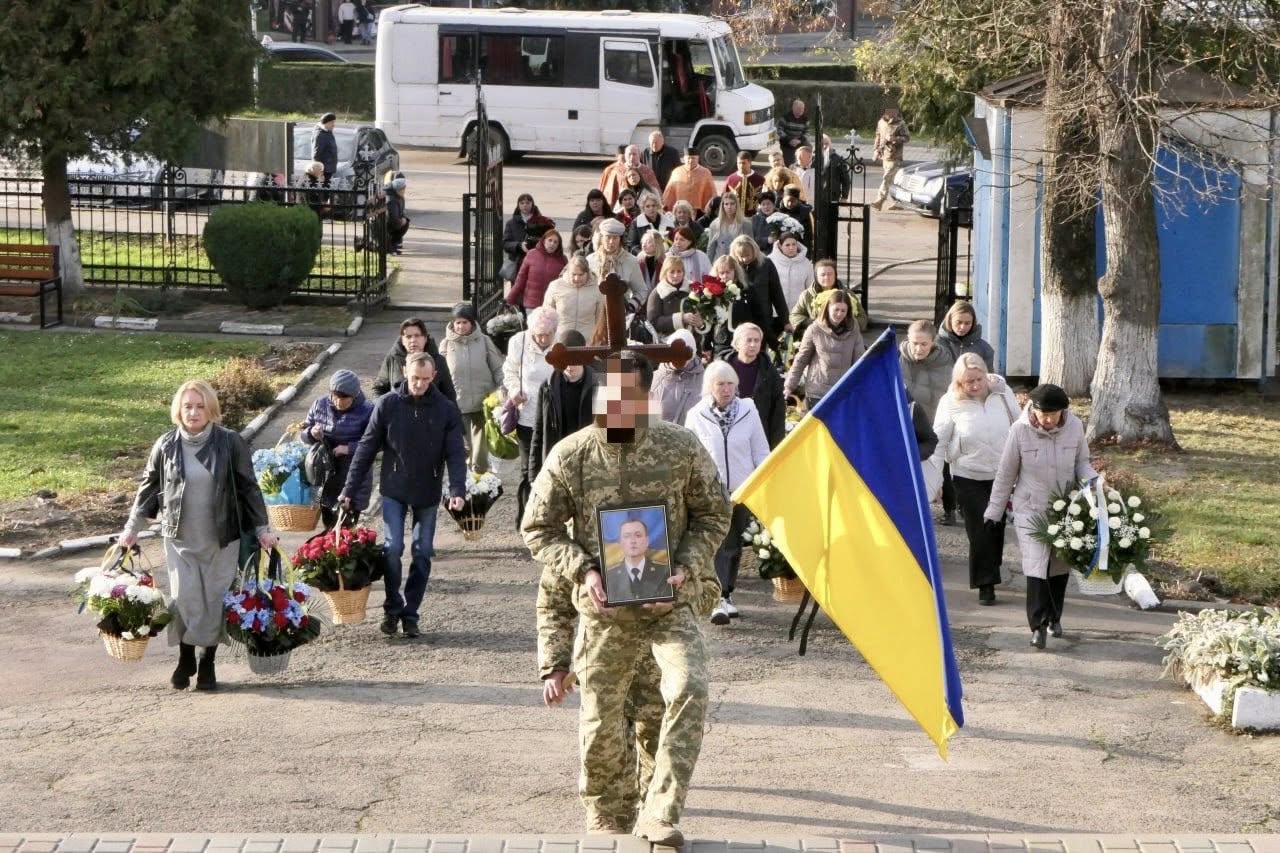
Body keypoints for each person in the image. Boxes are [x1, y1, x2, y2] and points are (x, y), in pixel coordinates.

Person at [522, 352, 731, 844]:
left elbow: (713, 515)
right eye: (607, 398)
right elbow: (538, 529)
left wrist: (684, 568)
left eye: (626, 399)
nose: (614, 408)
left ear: (645, 400)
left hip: (669, 608)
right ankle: (608, 818)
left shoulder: (680, 448)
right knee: (602, 726)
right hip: (605, 616)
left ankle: (660, 811)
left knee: (688, 690)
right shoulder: (572, 456)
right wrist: (585, 570)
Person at [118, 380, 276, 691]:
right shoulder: (166, 445)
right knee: (185, 599)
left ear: (211, 409)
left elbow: (248, 487)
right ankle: (185, 656)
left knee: (214, 601)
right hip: (180, 538)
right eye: (188, 406)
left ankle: (207, 662)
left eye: (200, 406)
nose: (193, 412)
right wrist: (131, 529)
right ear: (179, 409)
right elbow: (148, 488)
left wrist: (262, 529)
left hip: (222, 537)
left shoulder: (229, 442)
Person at [342, 353, 467, 639]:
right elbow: (366, 448)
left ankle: (411, 613)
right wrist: (349, 489)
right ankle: (392, 608)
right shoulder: (388, 404)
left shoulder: (445, 409)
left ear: (433, 376)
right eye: (414, 379)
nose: (419, 384)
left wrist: (457, 489)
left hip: (428, 490)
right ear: (404, 372)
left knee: (422, 552)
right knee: (393, 548)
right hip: (394, 488)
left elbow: (456, 454)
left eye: (425, 379)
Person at [984, 384, 1097, 650]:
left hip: (1066, 509)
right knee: (1036, 566)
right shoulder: (1020, 431)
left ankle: (1054, 617)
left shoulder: (1075, 427)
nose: (1047, 419)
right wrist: (994, 511)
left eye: (1053, 414)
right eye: (1042, 413)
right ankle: (1037, 626)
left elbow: (1082, 462)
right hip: (1030, 508)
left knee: (1059, 565)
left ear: (1063, 412)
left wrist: (1095, 484)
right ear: (1033, 409)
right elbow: (1006, 474)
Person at [684, 360, 770, 625]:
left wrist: (762, 485)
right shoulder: (696, 415)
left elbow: (760, 450)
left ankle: (727, 594)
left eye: (731, 383)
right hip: (709, 493)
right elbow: (690, 456)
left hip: (741, 489)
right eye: (720, 384)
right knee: (715, 544)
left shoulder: (748, 411)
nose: (726, 389)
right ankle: (717, 599)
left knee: (733, 546)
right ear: (710, 386)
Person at [932, 353, 1020, 605]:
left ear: (986, 375)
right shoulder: (949, 402)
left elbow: (1020, 425)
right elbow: (939, 442)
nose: (974, 385)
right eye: (967, 381)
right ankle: (985, 584)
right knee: (979, 529)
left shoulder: (1003, 394)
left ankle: (991, 566)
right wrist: (936, 478)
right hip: (967, 474)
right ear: (959, 381)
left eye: (978, 379)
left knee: (996, 527)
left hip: (1002, 473)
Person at [504, 306, 559, 525]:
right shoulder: (519, 341)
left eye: (548, 335)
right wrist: (513, 390)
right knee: (528, 468)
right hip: (527, 414)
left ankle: (550, 518)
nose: (543, 339)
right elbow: (509, 371)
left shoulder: (560, 343)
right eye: (539, 335)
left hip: (553, 415)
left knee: (552, 466)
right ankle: (525, 518)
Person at [300, 369, 375, 530]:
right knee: (329, 525)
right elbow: (304, 432)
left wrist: (349, 448)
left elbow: (375, 443)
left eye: (343, 398)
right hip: (326, 475)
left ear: (354, 396)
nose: (338, 401)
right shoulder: (320, 404)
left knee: (345, 528)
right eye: (334, 396)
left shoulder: (368, 410)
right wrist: (311, 433)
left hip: (353, 475)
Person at [900, 319, 957, 523]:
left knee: (943, 466)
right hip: (909, 420)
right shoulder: (898, 359)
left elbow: (949, 392)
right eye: (914, 343)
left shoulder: (944, 362)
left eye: (924, 344)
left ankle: (950, 509)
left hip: (934, 419)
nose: (918, 348)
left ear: (933, 342)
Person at [441, 302, 505, 474]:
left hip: (482, 405)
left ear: (472, 323)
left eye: (465, 322)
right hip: (457, 405)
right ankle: (463, 485)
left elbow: (498, 368)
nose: (461, 326)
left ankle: (480, 483)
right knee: (461, 449)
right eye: (457, 323)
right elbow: (438, 374)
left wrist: (502, 388)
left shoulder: (484, 341)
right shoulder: (446, 344)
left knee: (480, 453)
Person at [530, 330, 597, 484]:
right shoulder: (548, 387)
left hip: (590, 466)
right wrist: (534, 476)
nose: (569, 366)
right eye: (564, 360)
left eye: (574, 360)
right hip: (557, 464)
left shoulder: (599, 385)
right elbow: (539, 431)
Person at [785, 290, 865, 410]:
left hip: (842, 390)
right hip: (818, 391)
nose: (839, 314)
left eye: (843, 310)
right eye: (836, 310)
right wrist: (789, 386)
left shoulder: (853, 329)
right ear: (828, 308)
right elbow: (801, 360)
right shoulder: (814, 330)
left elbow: (859, 360)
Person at [720, 322, 786, 448]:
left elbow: (778, 408)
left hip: (758, 433)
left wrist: (777, 444)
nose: (753, 344)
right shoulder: (722, 367)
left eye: (757, 341)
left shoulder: (768, 371)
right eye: (748, 340)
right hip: (728, 433)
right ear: (737, 343)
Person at [374, 317, 457, 403]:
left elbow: (449, 394)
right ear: (402, 340)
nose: (413, 340)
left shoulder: (438, 361)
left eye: (417, 335)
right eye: (408, 337)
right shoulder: (393, 358)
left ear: (425, 338)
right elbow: (379, 388)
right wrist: (382, 408)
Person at [730, 235, 789, 348]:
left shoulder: (766, 264)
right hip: (740, 321)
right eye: (741, 256)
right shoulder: (733, 268)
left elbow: (777, 293)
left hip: (763, 319)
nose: (745, 259)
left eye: (748, 255)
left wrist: (785, 320)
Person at [604, 517, 674, 603]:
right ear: (620, 542)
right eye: (627, 536)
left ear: (647, 541)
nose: (633, 541)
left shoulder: (665, 572)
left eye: (638, 535)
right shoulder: (609, 577)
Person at [789, 259, 865, 336]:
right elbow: (795, 315)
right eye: (823, 275)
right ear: (816, 276)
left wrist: (846, 326)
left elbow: (862, 318)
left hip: (844, 339)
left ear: (835, 275)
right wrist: (812, 323)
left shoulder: (848, 294)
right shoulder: (807, 295)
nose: (826, 277)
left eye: (830, 274)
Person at [588, 218, 648, 307]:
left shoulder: (630, 261)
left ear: (620, 239)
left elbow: (641, 290)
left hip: (620, 312)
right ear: (601, 238)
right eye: (608, 237)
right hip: (594, 312)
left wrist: (631, 305)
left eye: (615, 238)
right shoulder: (590, 260)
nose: (611, 242)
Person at [650, 329, 704, 425]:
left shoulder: (706, 381)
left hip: (692, 437)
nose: (678, 358)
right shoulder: (653, 379)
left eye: (683, 354)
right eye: (674, 353)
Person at [543, 254, 602, 341]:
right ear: (568, 272)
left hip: (587, 340)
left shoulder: (597, 289)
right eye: (573, 274)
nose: (577, 278)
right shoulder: (555, 286)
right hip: (560, 339)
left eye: (581, 275)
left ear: (587, 272)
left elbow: (600, 318)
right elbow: (546, 314)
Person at [508, 228, 567, 312]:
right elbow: (520, 279)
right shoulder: (531, 254)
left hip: (552, 305)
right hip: (532, 304)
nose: (552, 244)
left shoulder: (562, 260)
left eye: (555, 242)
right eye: (550, 240)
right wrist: (510, 299)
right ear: (544, 241)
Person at [646, 256, 703, 343]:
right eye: (672, 272)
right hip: (666, 342)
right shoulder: (657, 293)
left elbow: (705, 313)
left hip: (693, 342)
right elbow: (653, 321)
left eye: (679, 271)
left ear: (683, 272)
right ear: (665, 273)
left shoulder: (694, 289)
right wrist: (681, 318)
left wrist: (701, 321)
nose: (676, 275)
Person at [937, 300, 996, 368]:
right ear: (950, 320)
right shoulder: (935, 344)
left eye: (967, 323)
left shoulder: (985, 349)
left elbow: (987, 376)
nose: (963, 327)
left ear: (973, 323)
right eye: (959, 322)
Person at [872, 107, 911, 211]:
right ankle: (899, 203)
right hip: (884, 155)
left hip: (895, 156)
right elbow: (878, 135)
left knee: (886, 179)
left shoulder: (900, 123)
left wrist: (894, 139)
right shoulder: (881, 122)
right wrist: (876, 149)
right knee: (892, 181)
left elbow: (907, 137)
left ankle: (879, 201)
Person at [769, 230, 814, 313]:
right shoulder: (770, 261)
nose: (791, 248)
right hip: (774, 311)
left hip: (797, 311)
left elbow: (810, 287)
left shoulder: (805, 263)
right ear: (780, 246)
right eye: (787, 245)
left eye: (794, 244)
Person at [662, 149, 717, 215]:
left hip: (699, 210)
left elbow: (711, 192)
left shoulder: (705, 173)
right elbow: (669, 192)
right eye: (688, 158)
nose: (690, 161)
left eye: (693, 158)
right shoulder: (676, 172)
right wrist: (665, 205)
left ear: (697, 159)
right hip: (680, 210)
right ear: (684, 159)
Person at [503, 193, 545, 274]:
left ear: (532, 204)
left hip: (536, 262)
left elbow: (547, 240)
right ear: (518, 205)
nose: (525, 205)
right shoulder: (511, 223)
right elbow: (505, 243)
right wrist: (519, 245)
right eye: (522, 203)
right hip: (517, 263)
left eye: (528, 203)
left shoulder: (541, 222)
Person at [705, 192, 750, 262]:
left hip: (739, 261)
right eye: (726, 204)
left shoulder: (746, 223)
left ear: (736, 205)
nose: (729, 207)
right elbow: (711, 248)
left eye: (732, 203)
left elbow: (750, 246)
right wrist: (708, 265)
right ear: (722, 206)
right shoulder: (715, 224)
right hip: (720, 262)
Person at [722, 150, 765, 216]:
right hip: (734, 216)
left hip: (753, 216)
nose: (741, 166)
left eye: (743, 163)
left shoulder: (760, 180)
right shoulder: (730, 179)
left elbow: (764, 198)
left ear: (750, 163)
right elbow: (724, 198)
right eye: (739, 163)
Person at [779, 184, 815, 254]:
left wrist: (807, 253)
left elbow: (808, 236)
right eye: (788, 200)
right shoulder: (776, 210)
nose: (789, 204)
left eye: (793, 201)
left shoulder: (804, 213)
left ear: (798, 201)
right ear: (783, 198)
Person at [381, 170, 410, 255]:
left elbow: (401, 211)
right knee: (403, 223)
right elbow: (392, 219)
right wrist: (401, 221)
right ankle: (391, 244)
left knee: (406, 222)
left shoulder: (399, 197)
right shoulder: (391, 200)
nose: (405, 189)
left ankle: (395, 243)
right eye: (403, 188)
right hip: (386, 226)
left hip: (392, 224)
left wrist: (403, 218)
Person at [777, 99, 810, 166]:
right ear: (793, 108)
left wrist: (799, 140)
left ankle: (805, 165)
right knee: (790, 163)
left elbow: (807, 132)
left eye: (803, 108)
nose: (801, 110)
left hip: (800, 141)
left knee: (809, 148)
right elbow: (779, 130)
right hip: (787, 142)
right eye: (799, 108)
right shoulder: (785, 117)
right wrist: (790, 140)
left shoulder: (805, 119)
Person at [311, 113, 338, 187]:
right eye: (332, 122)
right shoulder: (320, 135)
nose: (333, 125)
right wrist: (320, 172)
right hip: (324, 171)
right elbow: (316, 154)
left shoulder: (328, 132)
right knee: (323, 193)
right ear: (327, 122)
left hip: (329, 169)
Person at [635, 229, 664, 294]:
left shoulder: (664, 262)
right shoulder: (638, 261)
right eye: (643, 242)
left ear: (657, 244)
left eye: (648, 242)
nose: (644, 245)